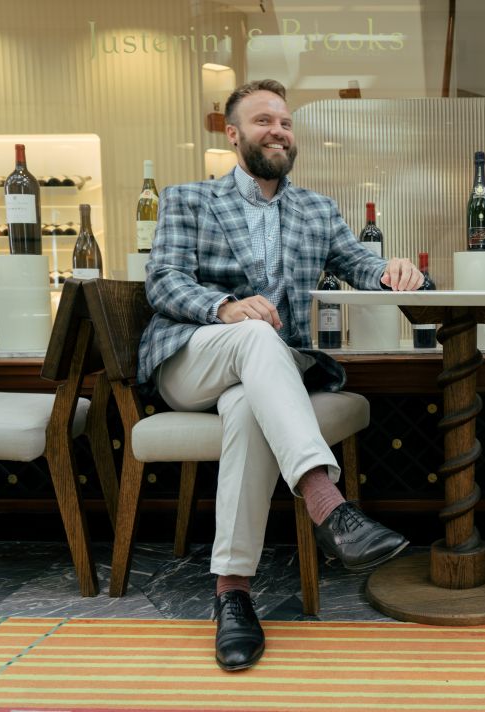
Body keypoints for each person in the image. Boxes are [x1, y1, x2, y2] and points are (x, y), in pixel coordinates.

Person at [138, 79, 424, 672]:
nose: (279, 131)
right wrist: (224, 308)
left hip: (262, 373)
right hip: (193, 358)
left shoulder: (315, 209)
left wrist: (392, 270)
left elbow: (359, 264)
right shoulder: (189, 199)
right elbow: (163, 282)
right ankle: (328, 504)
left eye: (286, 123)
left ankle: (233, 594)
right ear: (232, 132)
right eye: (264, 120)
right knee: (254, 333)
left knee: (248, 404)